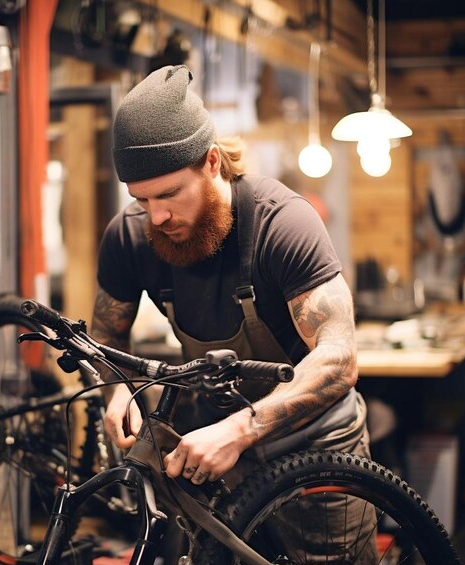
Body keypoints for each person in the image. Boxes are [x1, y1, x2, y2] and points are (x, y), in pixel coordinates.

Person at [91, 64, 370, 482]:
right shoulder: (132, 237)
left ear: (212, 162)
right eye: (142, 199)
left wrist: (241, 430)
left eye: (169, 194)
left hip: (317, 448)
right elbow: (106, 338)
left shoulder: (281, 223)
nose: (158, 215)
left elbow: (340, 358)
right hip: (217, 446)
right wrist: (119, 391)